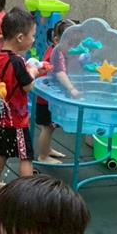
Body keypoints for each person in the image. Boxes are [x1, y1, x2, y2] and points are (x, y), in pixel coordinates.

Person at [0, 8, 38, 192]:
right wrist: (33, 71)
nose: (34, 39)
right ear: (20, 37)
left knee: (1, 151)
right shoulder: (17, 61)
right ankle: (27, 191)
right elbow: (28, 86)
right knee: (26, 156)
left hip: (2, 115)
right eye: (32, 35)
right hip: (17, 119)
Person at [35, 18, 77, 165]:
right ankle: (43, 156)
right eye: (70, 43)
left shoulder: (56, 50)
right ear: (57, 40)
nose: (73, 46)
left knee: (51, 127)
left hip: (49, 97)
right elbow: (60, 73)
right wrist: (71, 88)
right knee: (48, 127)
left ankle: (47, 149)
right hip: (46, 99)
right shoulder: (57, 53)